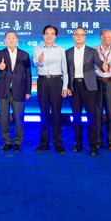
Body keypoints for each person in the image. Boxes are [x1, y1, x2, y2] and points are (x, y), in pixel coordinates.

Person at [65, 28, 108, 156]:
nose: (79, 36)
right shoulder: (67, 52)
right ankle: (78, 143)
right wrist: (67, 86)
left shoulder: (92, 51)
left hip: (89, 87)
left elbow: (99, 62)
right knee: (76, 116)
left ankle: (93, 145)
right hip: (74, 87)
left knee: (92, 117)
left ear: (85, 37)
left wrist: (104, 66)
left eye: (82, 34)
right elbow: (65, 71)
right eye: (77, 34)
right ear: (73, 36)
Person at [33, 25, 69, 154]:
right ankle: (44, 143)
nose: (49, 36)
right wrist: (39, 60)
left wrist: (65, 86)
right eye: (47, 33)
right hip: (42, 81)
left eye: (52, 34)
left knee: (56, 113)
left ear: (55, 36)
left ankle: (58, 144)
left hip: (56, 81)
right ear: (43, 35)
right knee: (43, 113)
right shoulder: (37, 48)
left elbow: (65, 68)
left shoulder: (60, 49)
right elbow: (35, 63)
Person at [0, 31, 32, 153]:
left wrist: (28, 90)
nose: (11, 40)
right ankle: (7, 142)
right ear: (5, 40)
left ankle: (18, 142)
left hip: (19, 90)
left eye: (13, 38)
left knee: (19, 118)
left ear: (17, 40)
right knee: (4, 119)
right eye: (8, 38)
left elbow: (28, 74)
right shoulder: (0, 53)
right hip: (3, 90)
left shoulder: (24, 54)